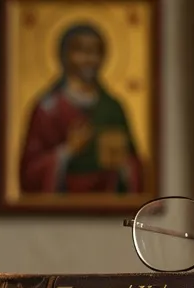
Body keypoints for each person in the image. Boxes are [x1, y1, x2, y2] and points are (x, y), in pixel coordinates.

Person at [19, 23, 142, 195]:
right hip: (62, 200)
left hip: (107, 198)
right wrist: (67, 152)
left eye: (96, 52)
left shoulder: (113, 107)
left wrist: (124, 165)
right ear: (64, 55)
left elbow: (137, 169)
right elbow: (29, 173)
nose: (89, 59)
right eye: (81, 51)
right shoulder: (48, 109)